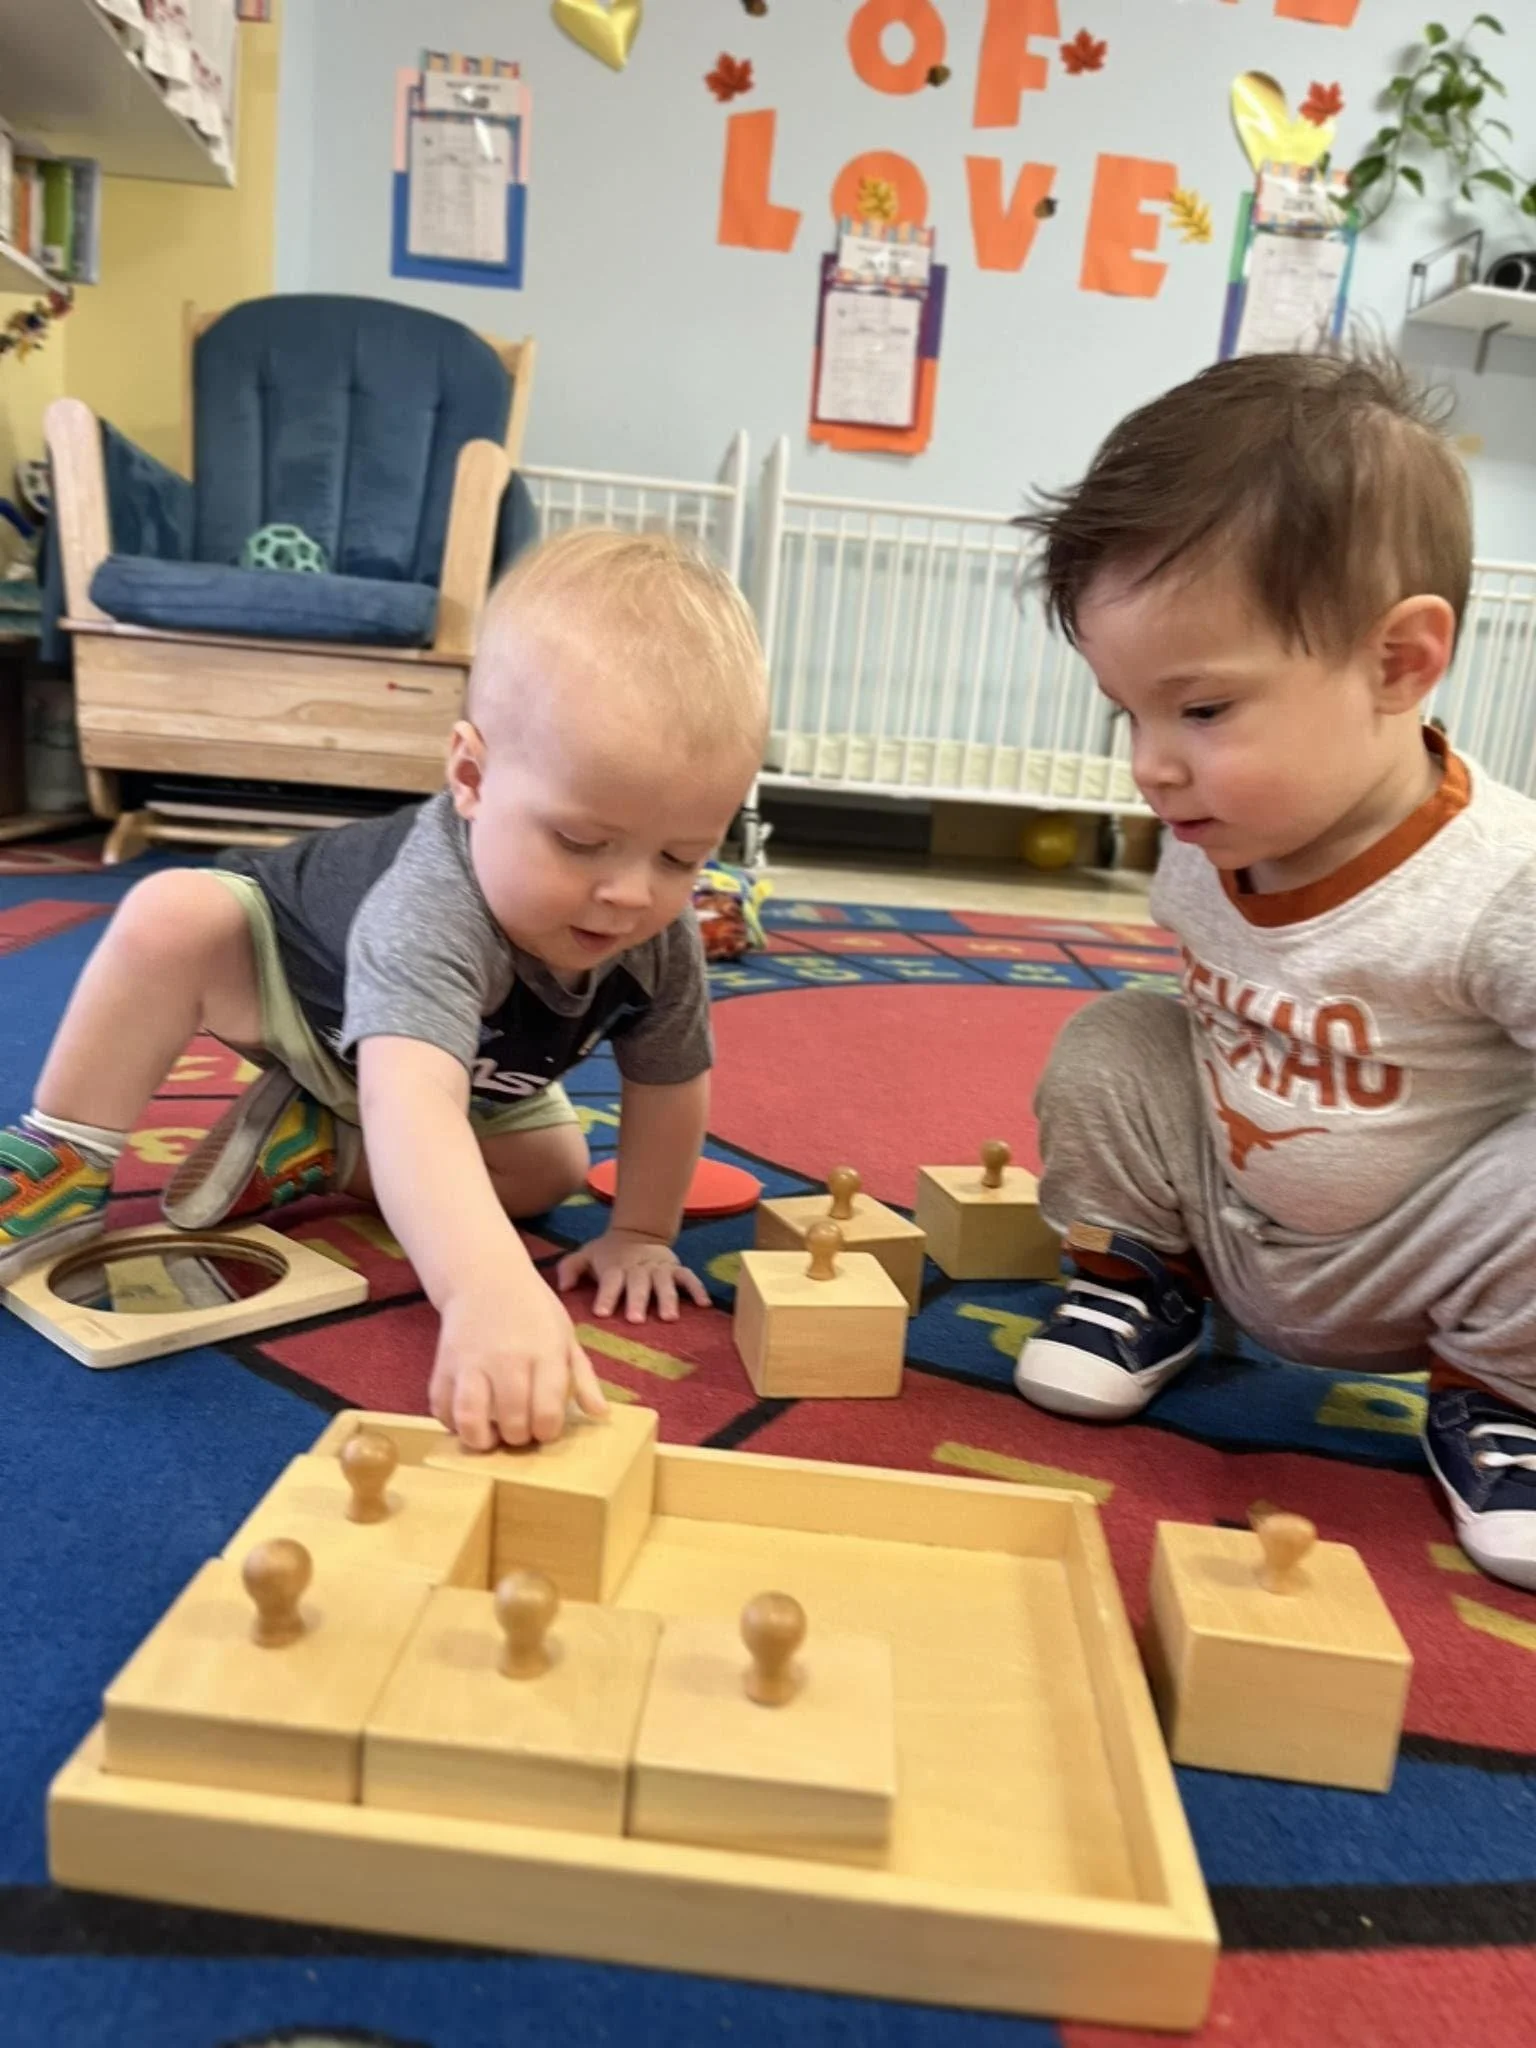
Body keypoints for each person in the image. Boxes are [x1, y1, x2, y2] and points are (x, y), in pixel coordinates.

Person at [0, 527, 768, 1451]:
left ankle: (322, 1147)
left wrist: (642, 1228)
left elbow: (671, 1081)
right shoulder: (431, 907)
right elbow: (413, 1097)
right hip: (299, 993)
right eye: (579, 841)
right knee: (173, 915)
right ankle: (63, 1157)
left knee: (551, 1172)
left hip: (467, 1062)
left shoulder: (660, 935)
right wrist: (484, 1288)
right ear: (472, 777)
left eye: (683, 856)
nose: (630, 893)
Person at [1011, 351, 1536, 1592]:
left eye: (1200, 711)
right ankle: (1146, 1280)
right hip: (1239, 1225)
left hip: (1436, 1271)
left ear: (1399, 665)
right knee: (1115, 1042)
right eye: (1124, 711)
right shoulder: (1201, 854)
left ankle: (1507, 1396)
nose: (1150, 764)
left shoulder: (1500, 884)